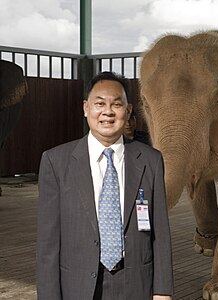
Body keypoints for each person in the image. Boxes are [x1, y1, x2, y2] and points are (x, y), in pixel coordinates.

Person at [37, 71, 173, 299]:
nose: (107, 112)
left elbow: (160, 230)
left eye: (116, 105)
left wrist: (163, 290)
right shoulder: (56, 162)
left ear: (128, 111)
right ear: (86, 108)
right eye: (99, 103)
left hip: (136, 284)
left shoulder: (150, 160)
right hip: (77, 285)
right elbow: (48, 242)